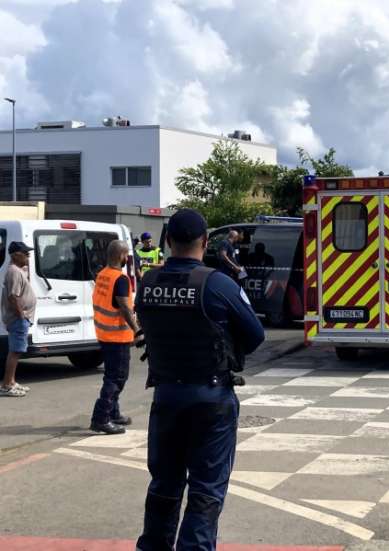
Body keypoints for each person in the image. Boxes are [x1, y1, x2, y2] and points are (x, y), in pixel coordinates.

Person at [135, 209, 264, 551]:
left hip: (165, 397)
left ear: (166, 241)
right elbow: (255, 335)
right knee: (206, 492)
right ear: (206, 242)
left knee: (164, 484)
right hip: (211, 398)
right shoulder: (217, 283)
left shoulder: (148, 284)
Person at [90, 240, 139, 434]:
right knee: (116, 378)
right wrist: (137, 330)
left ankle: (113, 413)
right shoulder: (120, 279)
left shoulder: (102, 274)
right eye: (126, 255)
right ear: (122, 256)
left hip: (104, 333)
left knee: (112, 375)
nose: (127, 259)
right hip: (116, 336)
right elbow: (125, 307)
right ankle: (100, 418)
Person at [1, 242, 36, 397]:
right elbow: (13, 296)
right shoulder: (14, 271)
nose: (28, 256)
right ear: (16, 255)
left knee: (16, 351)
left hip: (19, 317)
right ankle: (7, 385)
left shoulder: (18, 270)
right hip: (17, 317)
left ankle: (12, 381)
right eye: (25, 253)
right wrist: (21, 314)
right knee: (15, 351)